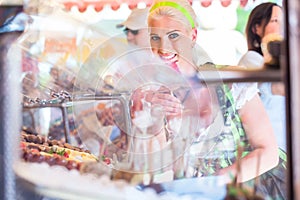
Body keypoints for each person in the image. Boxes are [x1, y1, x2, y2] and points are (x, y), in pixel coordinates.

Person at [145, 0, 286, 199]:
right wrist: (155, 122)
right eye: (155, 38)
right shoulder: (158, 96)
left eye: (173, 35)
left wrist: (213, 182)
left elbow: (268, 153)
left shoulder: (231, 81)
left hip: (259, 190)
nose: (163, 47)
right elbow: (161, 167)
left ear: (193, 36)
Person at [238, 2, 286, 152]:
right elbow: (279, 87)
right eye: (275, 21)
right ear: (256, 28)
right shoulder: (251, 59)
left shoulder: (284, 64)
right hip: (269, 153)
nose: (282, 26)